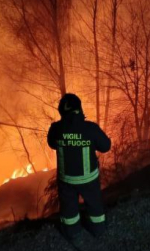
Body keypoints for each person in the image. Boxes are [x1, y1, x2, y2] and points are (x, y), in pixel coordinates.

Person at [47, 93, 111, 238]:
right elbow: (106, 146)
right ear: (79, 109)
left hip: (66, 181)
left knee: (68, 209)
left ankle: (72, 233)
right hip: (89, 180)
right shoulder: (91, 128)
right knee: (94, 205)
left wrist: (59, 131)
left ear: (61, 111)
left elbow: (51, 143)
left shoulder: (56, 129)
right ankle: (98, 230)